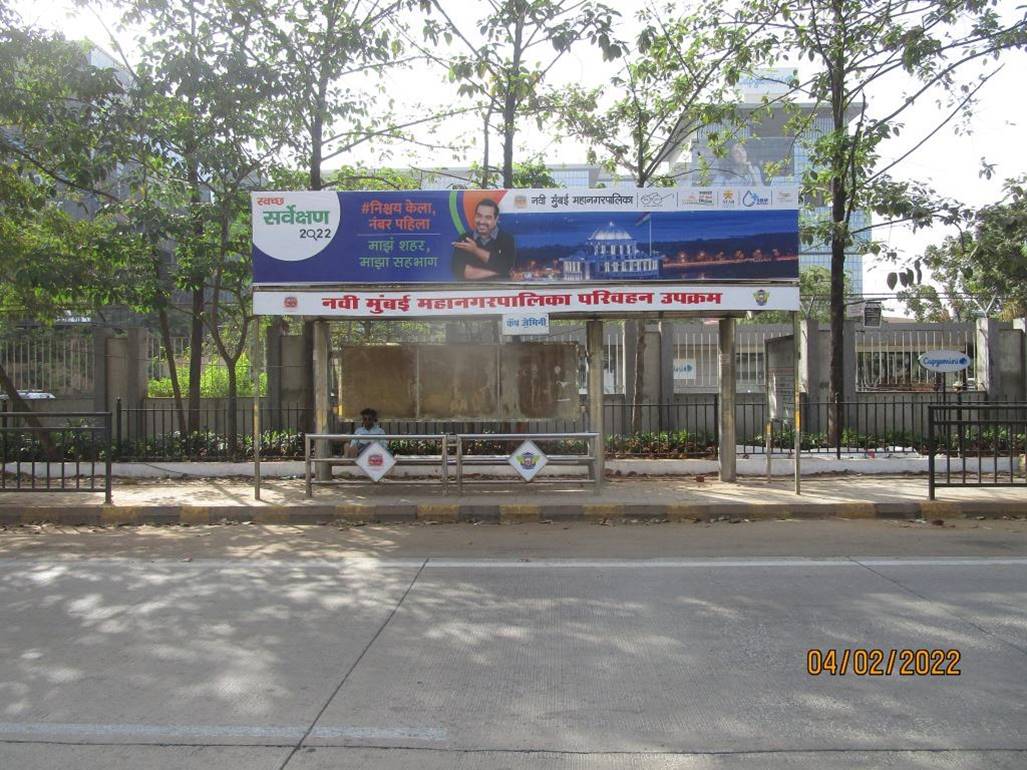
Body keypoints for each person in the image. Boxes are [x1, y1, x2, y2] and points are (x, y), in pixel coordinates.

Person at [451, 198, 517, 280]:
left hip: (498, 291)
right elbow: (460, 272)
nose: (482, 221)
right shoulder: (465, 239)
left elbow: (506, 266)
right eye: (479, 216)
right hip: (469, 291)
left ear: (496, 219)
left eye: (488, 217)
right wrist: (500, 273)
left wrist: (475, 250)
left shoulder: (507, 239)